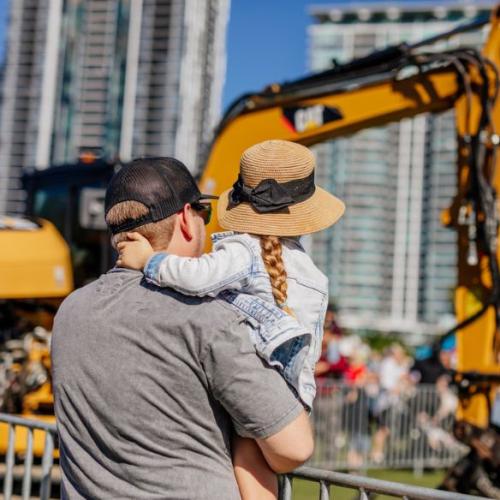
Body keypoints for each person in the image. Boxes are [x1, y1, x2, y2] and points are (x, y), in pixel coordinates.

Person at [51, 157, 315, 500]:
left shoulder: (70, 312)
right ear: (187, 220)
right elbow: (293, 447)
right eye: (203, 215)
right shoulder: (207, 317)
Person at [115, 140, 345, 498]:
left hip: (255, 376)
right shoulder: (309, 271)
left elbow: (197, 277)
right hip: (292, 389)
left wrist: (149, 261)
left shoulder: (242, 250)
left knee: (245, 455)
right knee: (253, 458)